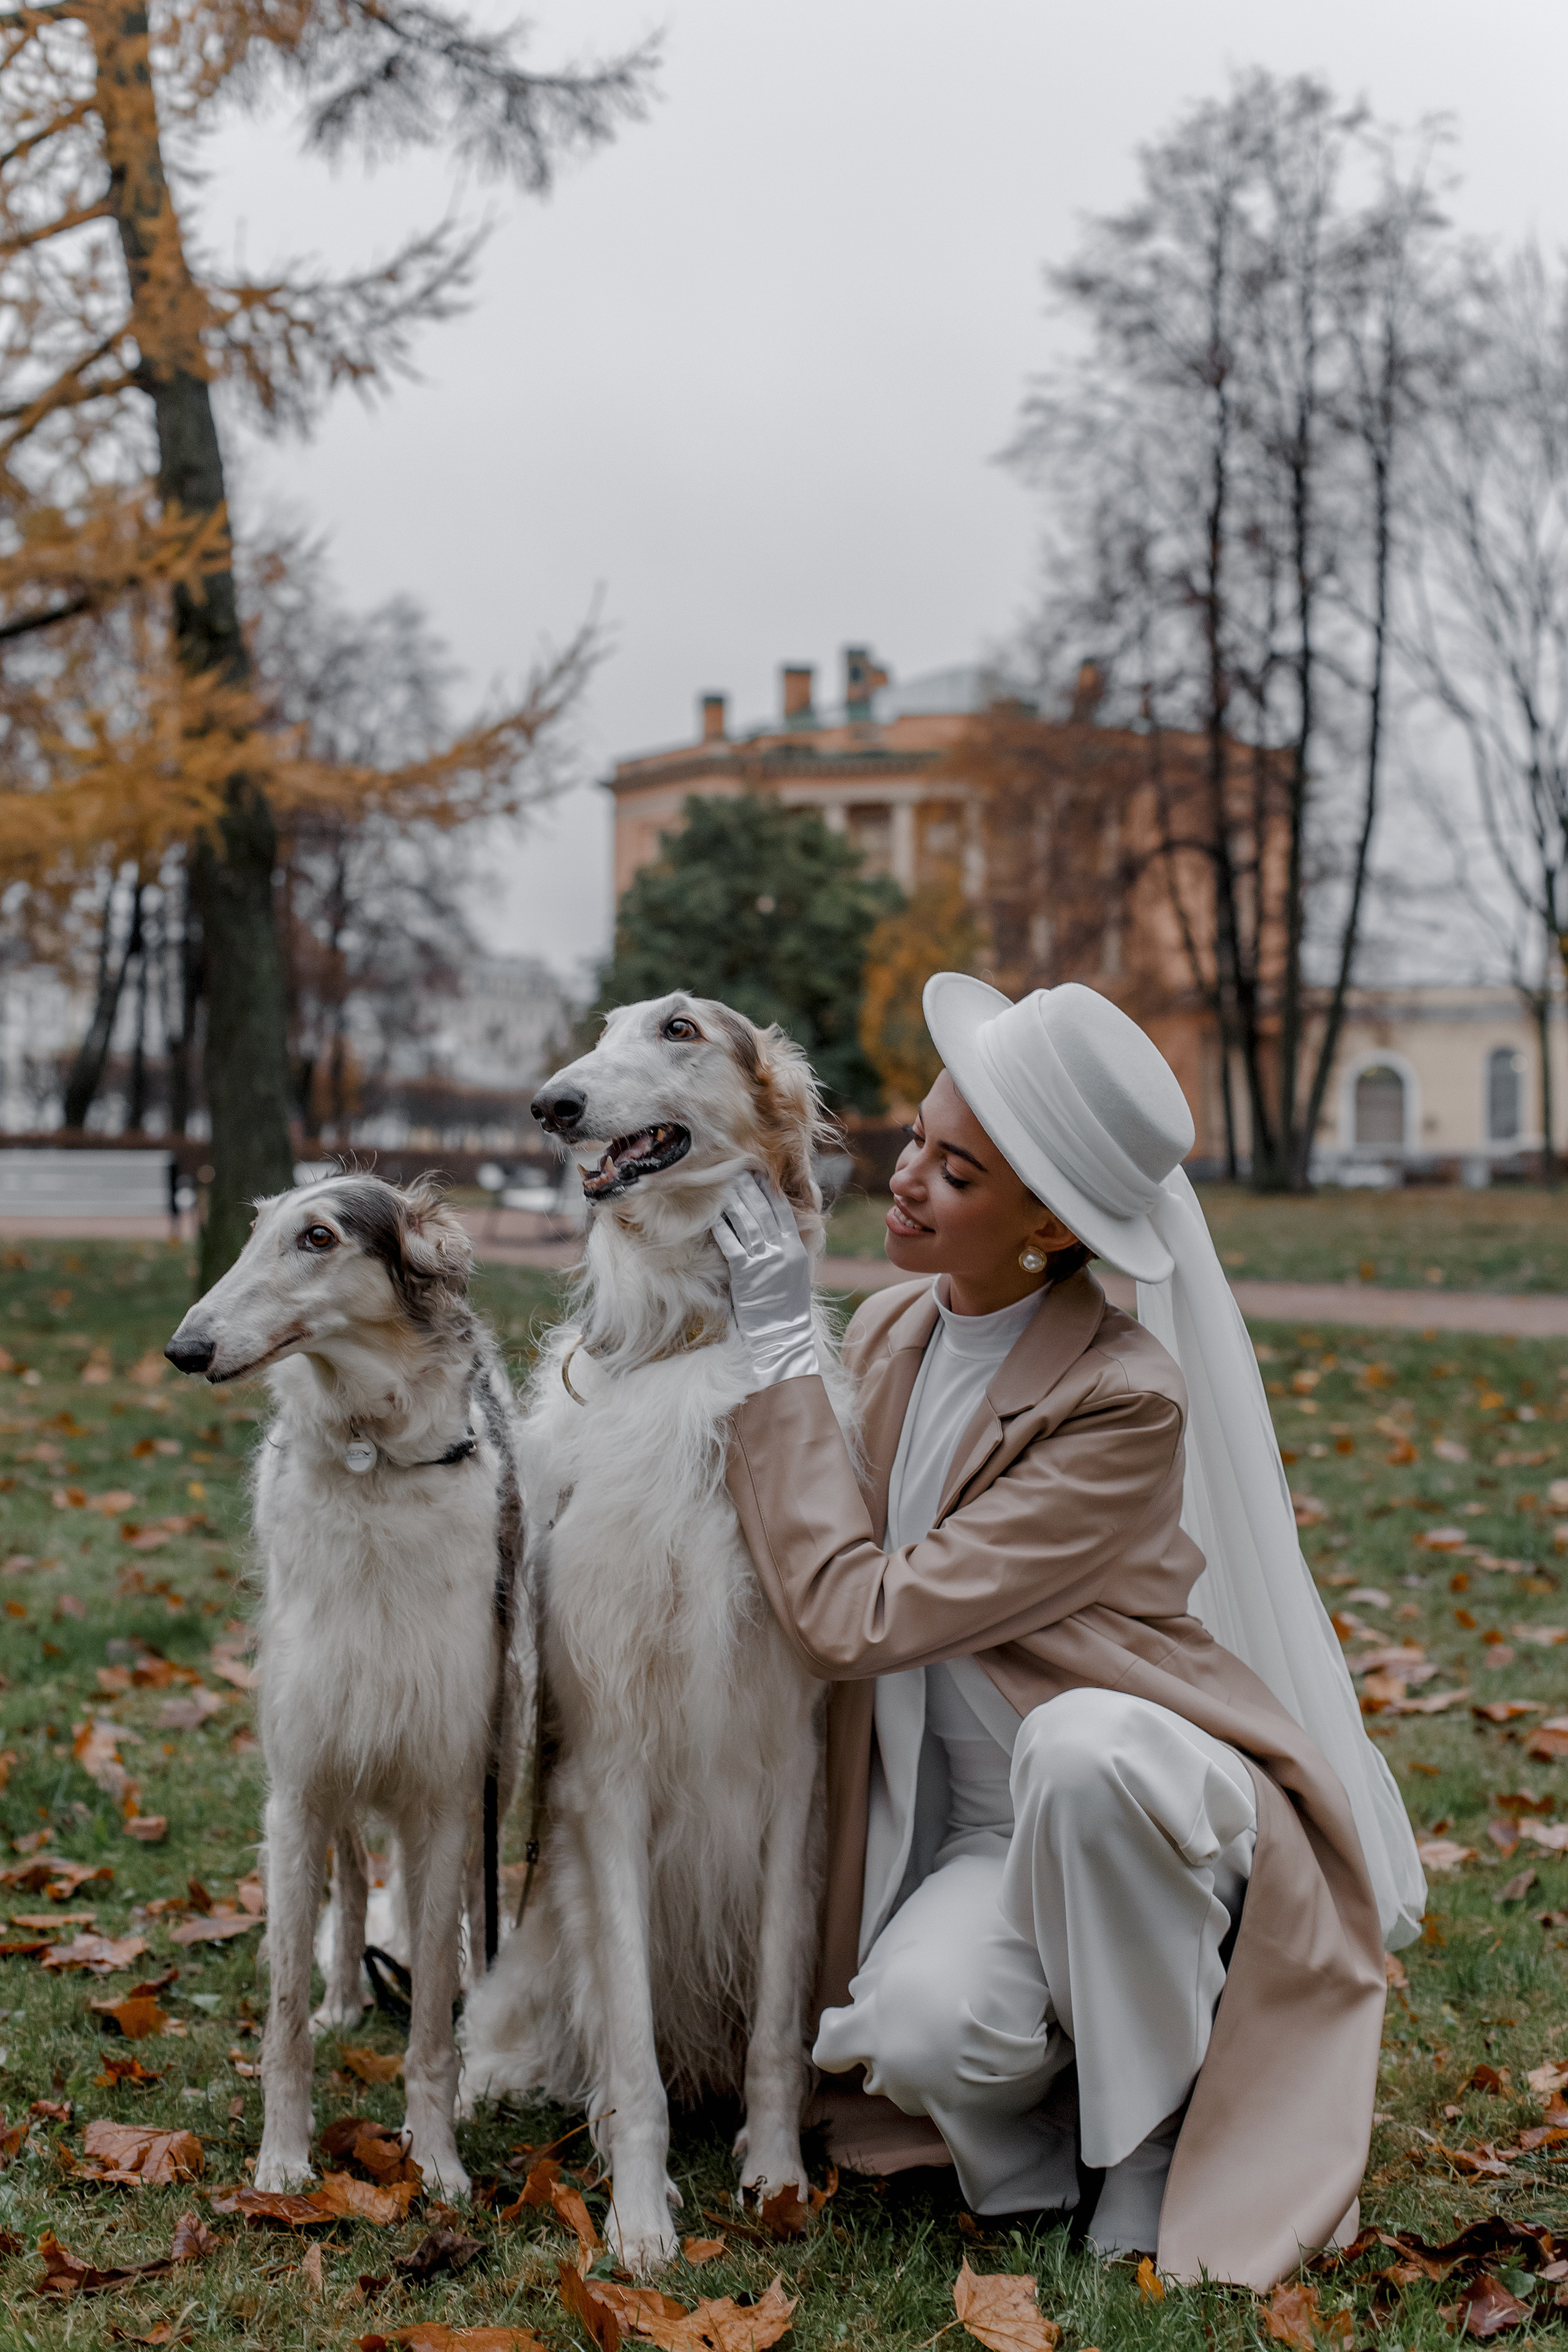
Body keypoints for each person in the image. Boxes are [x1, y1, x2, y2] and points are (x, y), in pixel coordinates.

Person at [712, 977, 1424, 2290]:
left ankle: (1153, 2138)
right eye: (917, 1138)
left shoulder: (1121, 1399)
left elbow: (855, 1614)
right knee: (914, 2035)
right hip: (982, 1837)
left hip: (1143, 1804)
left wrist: (775, 1361)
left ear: (1048, 1227)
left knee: (1080, 1751)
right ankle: (1045, 2139)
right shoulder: (893, 1328)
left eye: (957, 1172)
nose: (905, 1179)